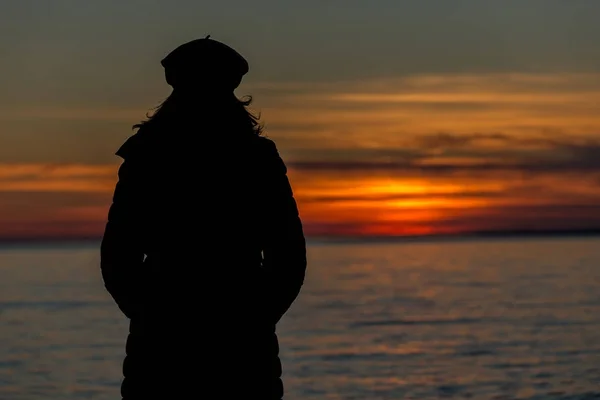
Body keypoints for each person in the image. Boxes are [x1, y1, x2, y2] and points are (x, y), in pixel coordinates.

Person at [100, 36, 307, 399]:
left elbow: (119, 255)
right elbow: (287, 255)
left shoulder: (149, 156)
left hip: (200, 335)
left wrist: (150, 313)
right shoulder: (250, 158)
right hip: (203, 336)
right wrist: (254, 317)